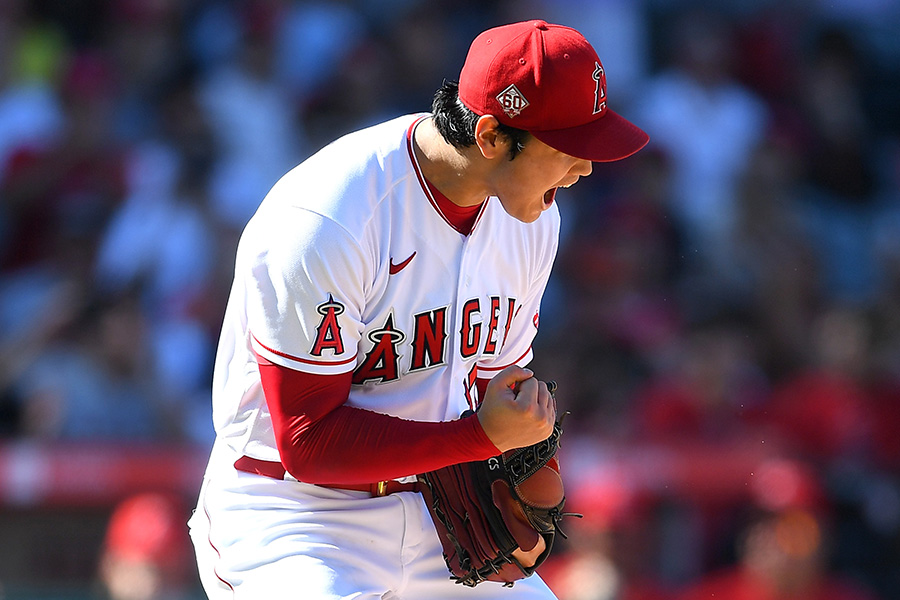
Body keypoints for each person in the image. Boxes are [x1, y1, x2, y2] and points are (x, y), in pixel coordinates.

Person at [188, 19, 648, 599]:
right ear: (491, 137)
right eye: (570, 148)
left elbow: (495, 389)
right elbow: (306, 442)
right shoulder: (330, 218)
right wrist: (482, 438)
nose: (586, 168)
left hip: (437, 510)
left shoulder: (533, 217)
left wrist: (520, 467)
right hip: (295, 518)